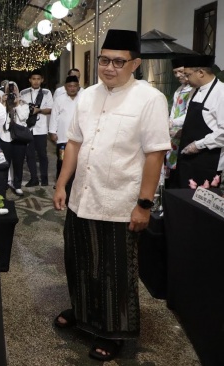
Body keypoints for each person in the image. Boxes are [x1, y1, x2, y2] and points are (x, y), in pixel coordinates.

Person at [52, 29, 170, 362]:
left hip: (119, 203)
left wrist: (144, 205)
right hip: (82, 198)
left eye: (119, 62)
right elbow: (74, 142)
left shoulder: (149, 99)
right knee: (79, 262)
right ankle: (84, 313)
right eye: (104, 60)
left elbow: (154, 155)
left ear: (135, 63)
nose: (109, 67)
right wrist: (62, 183)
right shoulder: (87, 96)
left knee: (114, 270)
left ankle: (113, 331)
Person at [175, 55, 224, 188]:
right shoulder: (194, 91)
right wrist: (176, 125)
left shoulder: (221, 93)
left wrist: (199, 145)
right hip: (187, 159)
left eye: (188, 75)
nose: (185, 79)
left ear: (201, 73)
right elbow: (190, 116)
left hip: (208, 161)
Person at [164, 58, 195, 188]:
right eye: (175, 72)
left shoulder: (194, 90)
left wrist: (172, 122)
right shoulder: (179, 90)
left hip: (186, 133)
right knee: (171, 170)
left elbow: (189, 115)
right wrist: (170, 123)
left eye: (181, 72)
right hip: (174, 134)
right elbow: (173, 111)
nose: (178, 75)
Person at [0, 81, 31, 196]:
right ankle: (3, 184)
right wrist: (3, 103)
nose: (12, 91)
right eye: (9, 89)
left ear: (18, 90)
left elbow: (23, 118)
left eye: (14, 89)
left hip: (19, 138)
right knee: (4, 163)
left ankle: (17, 185)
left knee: (18, 163)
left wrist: (16, 105)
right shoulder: (3, 103)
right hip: (5, 137)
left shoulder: (23, 103)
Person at [21, 69, 53, 187]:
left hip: (41, 128)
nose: (36, 81)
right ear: (30, 80)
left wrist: (39, 110)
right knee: (29, 155)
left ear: (42, 80)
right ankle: (33, 178)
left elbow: (50, 109)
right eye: (33, 79)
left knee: (42, 155)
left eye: (38, 79)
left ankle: (44, 179)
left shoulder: (46, 93)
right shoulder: (23, 92)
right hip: (28, 128)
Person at [49, 75, 80, 184]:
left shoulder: (83, 98)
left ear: (78, 87)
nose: (72, 88)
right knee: (61, 161)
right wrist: (52, 131)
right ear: (66, 87)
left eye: (74, 86)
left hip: (78, 138)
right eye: (70, 86)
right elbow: (54, 116)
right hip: (62, 137)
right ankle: (60, 183)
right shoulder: (59, 99)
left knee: (77, 162)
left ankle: (74, 184)